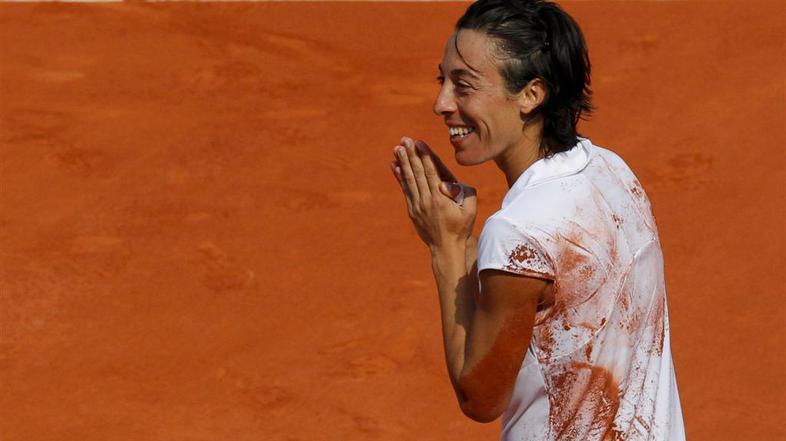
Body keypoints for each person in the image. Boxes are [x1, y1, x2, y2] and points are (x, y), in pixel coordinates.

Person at [389, 1, 685, 439]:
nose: (441, 103)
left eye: (463, 86)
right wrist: (469, 245)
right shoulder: (612, 171)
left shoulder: (520, 232)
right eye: (443, 80)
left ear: (531, 94)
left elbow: (481, 397)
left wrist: (447, 248)